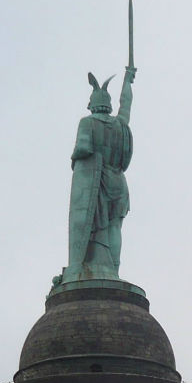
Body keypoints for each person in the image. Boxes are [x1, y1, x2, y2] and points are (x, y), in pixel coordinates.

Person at [62, 64, 136, 282]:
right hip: (118, 182)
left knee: (92, 225)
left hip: (97, 181)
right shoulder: (120, 124)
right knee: (115, 225)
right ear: (108, 105)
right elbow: (127, 105)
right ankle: (113, 269)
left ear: (93, 105)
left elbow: (83, 149)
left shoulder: (87, 123)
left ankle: (91, 265)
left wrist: (74, 157)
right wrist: (128, 80)